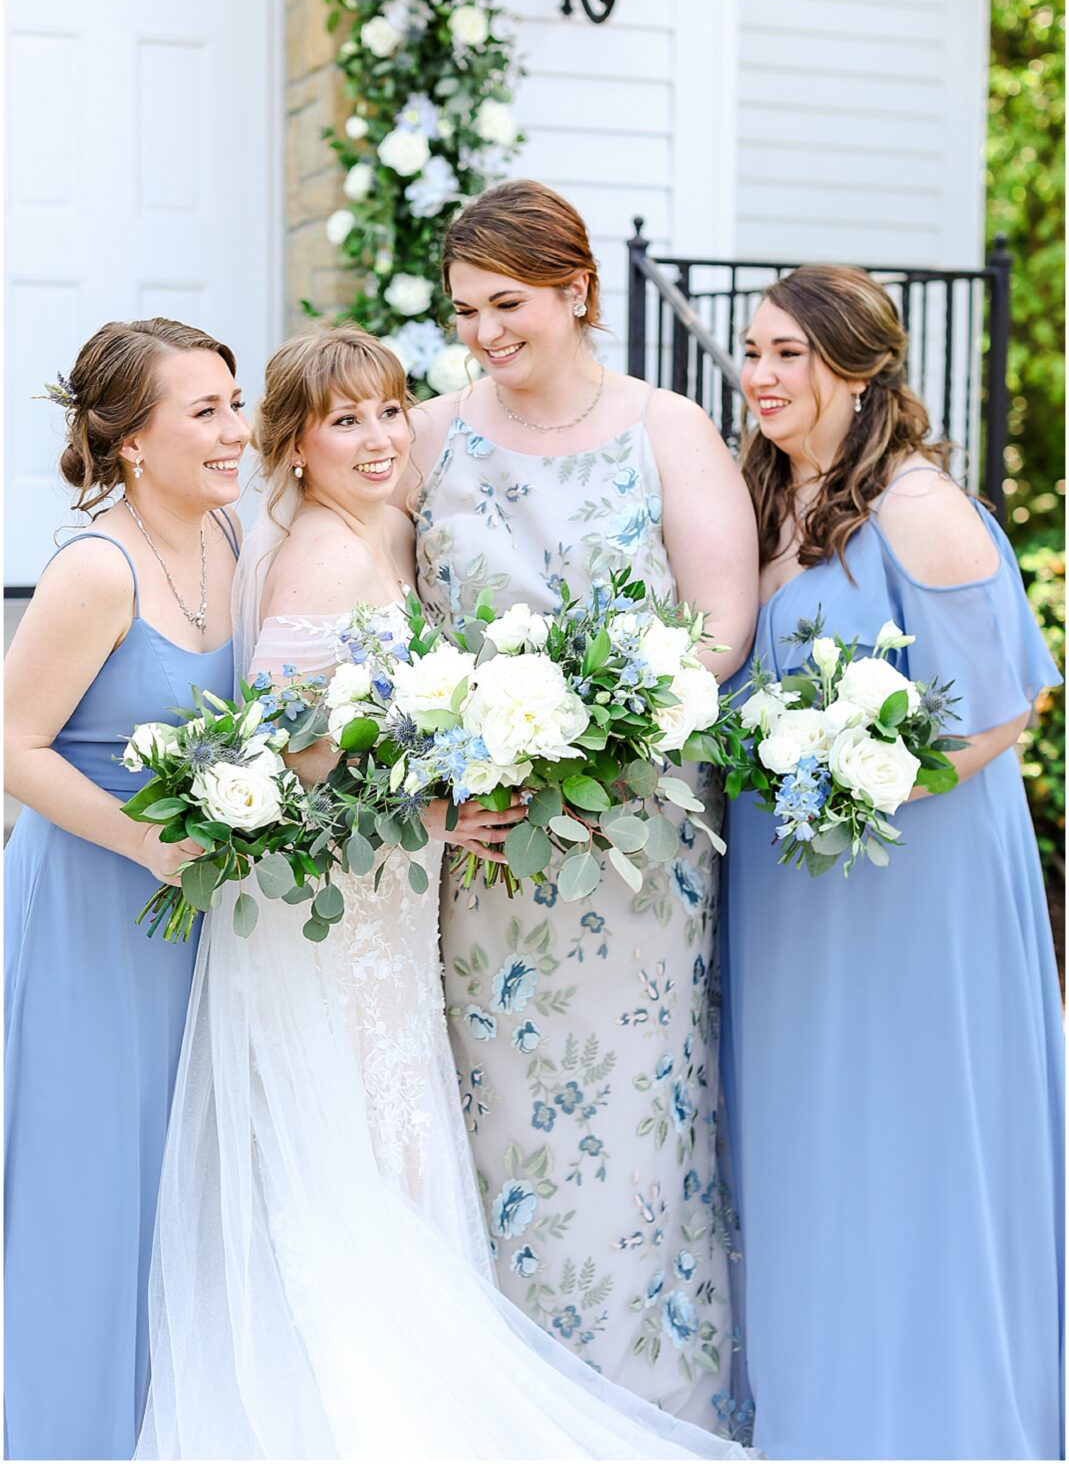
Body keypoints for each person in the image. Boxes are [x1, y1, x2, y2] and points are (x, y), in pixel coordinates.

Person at [136, 324, 751, 1461]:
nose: (378, 439)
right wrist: (428, 815)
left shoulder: (394, 525)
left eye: (386, 412)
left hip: (398, 899)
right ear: (297, 443)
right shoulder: (322, 551)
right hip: (343, 912)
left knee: (398, 1150)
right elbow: (291, 747)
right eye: (343, 421)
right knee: (367, 1158)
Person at [403, 180, 759, 1426]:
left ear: (577, 291)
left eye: (508, 305)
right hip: (488, 851)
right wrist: (439, 766)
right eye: (464, 311)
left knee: (636, 1124)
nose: (485, 333)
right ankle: (500, 1411)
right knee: (494, 1117)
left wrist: (610, 725)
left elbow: (718, 625)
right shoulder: (431, 434)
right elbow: (375, 625)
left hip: (636, 845)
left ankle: (641, 1410)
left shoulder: (668, 428)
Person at [722, 264, 1063, 1460]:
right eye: (752, 352)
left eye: (788, 356)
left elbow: (997, 712)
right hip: (788, 884)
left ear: (860, 370)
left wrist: (857, 778)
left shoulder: (922, 508)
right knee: (808, 1146)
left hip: (907, 879)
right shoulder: (766, 494)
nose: (760, 376)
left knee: (903, 1135)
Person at [4, 318, 249, 1460]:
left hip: (192, 920)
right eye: (204, 412)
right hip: (93, 917)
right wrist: (142, 841)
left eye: (234, 403)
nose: (235, 431)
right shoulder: (95, 568)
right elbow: (12, 745)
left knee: (172, 1189)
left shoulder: (228, 542)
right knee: (85, 1193)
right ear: (133, 441)